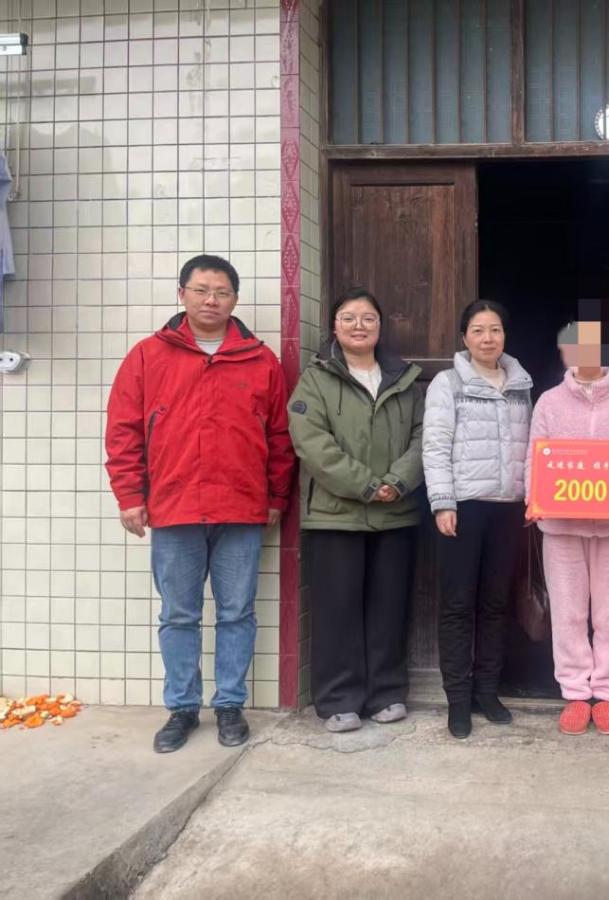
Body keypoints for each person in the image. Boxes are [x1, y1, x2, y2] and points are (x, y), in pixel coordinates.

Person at [105, 254, 295, 753]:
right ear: (182, 294)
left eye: (222, 292)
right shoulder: (148, 355)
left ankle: (229, 704)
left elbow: (280, 436)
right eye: (201, 290)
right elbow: (123, 431)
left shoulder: (260, 360)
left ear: (235, 299)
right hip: (174, 507)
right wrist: (130, 495)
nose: (212, 300)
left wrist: (276, 496)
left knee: (237, 612)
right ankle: (182, 708)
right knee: (178, 615)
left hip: (241, 508)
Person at [288, 288, 424, 734]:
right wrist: (366, 485)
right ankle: (339, 700)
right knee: (337, 609)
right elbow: (312, 443)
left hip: (395, 512)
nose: (359, 326)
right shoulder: (316, 379)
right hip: (335, 514)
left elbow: (424, 438)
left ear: (380, 326)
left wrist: (396, 482)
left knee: (389, 608)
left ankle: (386, 692)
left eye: (368, 318)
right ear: (335, 326)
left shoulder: (403, 379)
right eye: (349, 318)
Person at [526, 318, 609, 737]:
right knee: (568, 611)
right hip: (562, 526)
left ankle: (606, 692)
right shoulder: (549, 402)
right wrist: (534, 497)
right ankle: (576, 693)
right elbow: (535, 455)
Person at [423, 300, 533, 739]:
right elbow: (435, 445)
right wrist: (442, 501)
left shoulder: (521, 383)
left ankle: (487, 691)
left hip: (508, 507)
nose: (488, 338)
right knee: (457, 605)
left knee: (496, 603)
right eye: (478, 330)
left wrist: (532, 498)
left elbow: (534, 446)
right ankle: (458, 698)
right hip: (464, 507)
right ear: (464, 337)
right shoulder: (448, 383)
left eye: (495, 330)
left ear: (505, 335)